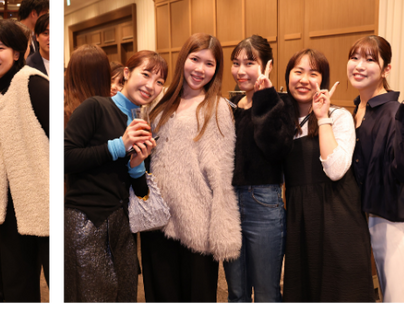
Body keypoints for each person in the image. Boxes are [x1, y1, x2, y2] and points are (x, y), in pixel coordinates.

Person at [58, 50, 165, 305]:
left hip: (122, 228)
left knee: (124, 299)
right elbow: (63, 157)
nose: (151, 85)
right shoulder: (96, 106)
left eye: (159, 81)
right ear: (127, 73)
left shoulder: (141, 120)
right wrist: (119, 145)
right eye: (145, 74)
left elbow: (140, 192)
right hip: (86, 221)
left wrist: (137, 165)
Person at [143, 33, 239, 306]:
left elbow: (222, 173)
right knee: (160, 295)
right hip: (157, 217)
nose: (200, 69)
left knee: (196, 296)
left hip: (195, 222)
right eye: (195, 59)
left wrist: (222, 228)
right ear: (183, 58)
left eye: (209, 64)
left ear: (216, 69)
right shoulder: (160, 101)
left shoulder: (217, 108)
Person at [281, 49, 373, 305]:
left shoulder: (338, 116)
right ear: (288, 76)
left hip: (338, 217)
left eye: (313, 73)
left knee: (340, 290)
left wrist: (322, 118)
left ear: (323, 80)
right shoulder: (283, 123)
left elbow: (335, 169)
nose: (304, 79)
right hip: (301, 220)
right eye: (298, 72)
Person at [0, 19, 53, 306]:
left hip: (42, 202)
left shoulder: (33, 84)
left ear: (17, 52)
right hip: (10, 206)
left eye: (0, 48)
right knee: (12, 285)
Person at [225, 35, 294, 306]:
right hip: (230, 204)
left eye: (249, 63)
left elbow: (276, 149)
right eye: (236, 63)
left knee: (266, 296)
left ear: (268, 66)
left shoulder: (280, 103)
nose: (240, 71)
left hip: (263, 203)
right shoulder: (232, 106)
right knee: (236, 294)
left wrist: (264, 99)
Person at [346, 35, 403, 304]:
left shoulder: (395, 112)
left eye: (369, 59)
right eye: (354, 57)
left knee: (396, 296)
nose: (359, 65)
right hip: (363, 214)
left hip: (391, 216)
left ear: (386, 69)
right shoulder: (358, 108)